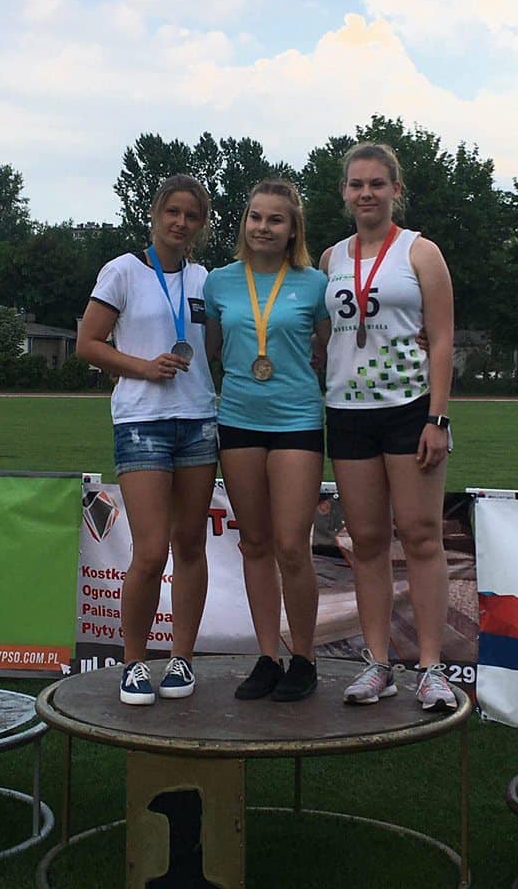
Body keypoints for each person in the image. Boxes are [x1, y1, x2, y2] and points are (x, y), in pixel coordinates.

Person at [319, 142, 457, 711]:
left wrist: (437, 418)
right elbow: (321, 335)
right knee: (369, 541)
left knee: (421, 536)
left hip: (410, 408)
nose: (366, 193)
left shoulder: (420, 252)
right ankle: (377, 663)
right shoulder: (330, 258)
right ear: (344, 192)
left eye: (377, 183)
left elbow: (442, 339)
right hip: (348, 414)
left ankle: (431, 667)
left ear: (396, 190)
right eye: (356, 184)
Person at [76, 175, 217, 705]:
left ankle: (182, 658)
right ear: (155, 214)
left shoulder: (205, 279)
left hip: (198, 420)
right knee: (152, 550)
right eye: (172, 212)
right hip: (142, 422)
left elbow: (217, 346)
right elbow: (88, 343)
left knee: (191, 545)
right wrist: (141, 367)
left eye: (192, 216)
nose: (180, 223)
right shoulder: (123, 271)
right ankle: (133, 662)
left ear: (201, 225)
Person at [204, 180, 330, 702]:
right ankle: (267, 657)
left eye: (275, 219)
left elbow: (335, 350)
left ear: (292, 228)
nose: (263, 227)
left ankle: (304, 658)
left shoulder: (315, 284)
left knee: (291, 545)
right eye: (255, 217)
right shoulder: (218, 282)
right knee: (254, 543)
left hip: (296, 420)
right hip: (237, 420)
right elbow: (210, 349)